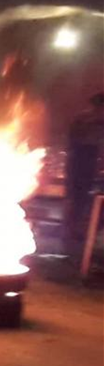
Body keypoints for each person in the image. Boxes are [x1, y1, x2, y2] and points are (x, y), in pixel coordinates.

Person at [65, 92, 104, 251]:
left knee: (83, 200)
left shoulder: (91, 120)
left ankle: (82, 231)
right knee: (77, 199)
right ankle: (73, 233)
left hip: (86, 162)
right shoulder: (85, 119)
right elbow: (74, 140)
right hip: (80, 163)